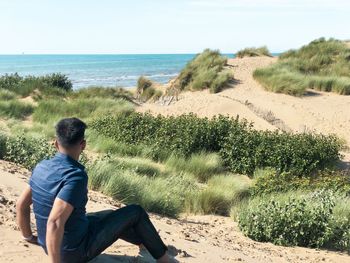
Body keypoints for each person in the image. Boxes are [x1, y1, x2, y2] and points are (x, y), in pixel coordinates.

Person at [16, 117, 173, 263]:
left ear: (56, 143)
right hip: (72, 253)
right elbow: (55, 222)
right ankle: (164, 258)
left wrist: (28, 237)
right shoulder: (75, 176)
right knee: (136, 212)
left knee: (110, 215)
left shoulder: (41, 167)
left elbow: (21, 205)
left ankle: (145, 242)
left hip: (48, 245)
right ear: (83, 145)